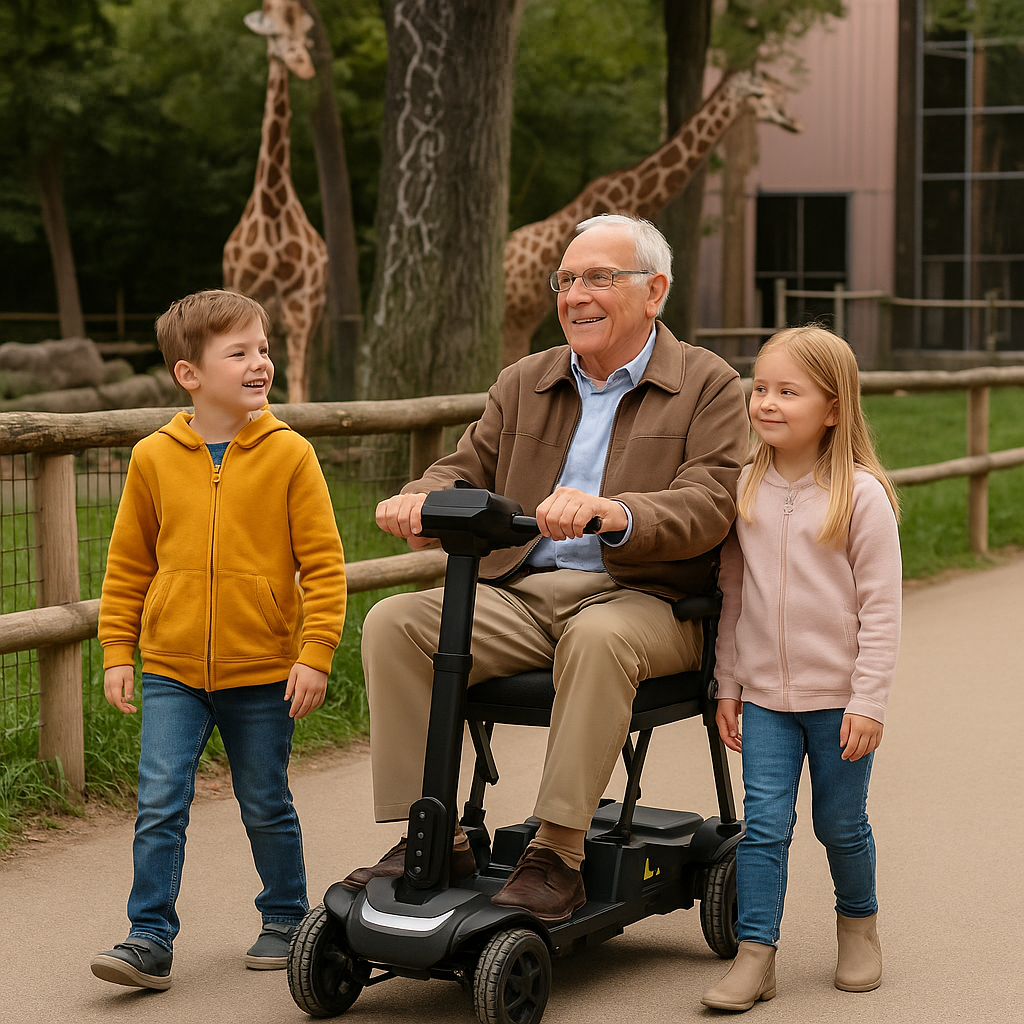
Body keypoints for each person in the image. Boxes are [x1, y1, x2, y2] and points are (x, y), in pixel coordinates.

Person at [342, 214, 750, 922]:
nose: (575, 294)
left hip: (647, 599)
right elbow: (462, 467)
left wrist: (614, 511)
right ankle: (431, 835)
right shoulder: (526, 379)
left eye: (599, 278)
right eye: (566, 280)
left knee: (597, 640)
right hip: (524, 591)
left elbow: (710, 503)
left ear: (654, 292)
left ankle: (557, 853)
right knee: (395, 622)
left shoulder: (708, 384)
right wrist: (418, 499)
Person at [90, 290, 346, 990]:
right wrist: (119, 651)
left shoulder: (291, 454)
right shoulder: (153, 458)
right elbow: (127, 565)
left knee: (264, 799)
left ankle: (287, 917)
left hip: (264, 670)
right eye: (240, 353)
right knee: (159, 799)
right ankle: (148, 938)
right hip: (170, 669)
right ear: (189, 374)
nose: (260, 362)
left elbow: (324, 567)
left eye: (263, 348)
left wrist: (314, 654)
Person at [701, 326, 902, 1012]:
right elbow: (733, 597)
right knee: (763, 826)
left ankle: (859, 928)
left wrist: (869, 702)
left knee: (840, 826)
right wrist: (728, 685)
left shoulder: (861, 495)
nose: (768, 402)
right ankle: (757, 956)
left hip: (839, 701)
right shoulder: (744, 490)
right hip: (765, 701)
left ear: (834, 408)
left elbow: (882, 610)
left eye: (789, 391)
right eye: (760, 388)